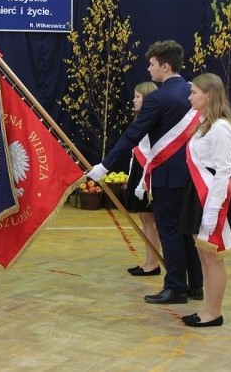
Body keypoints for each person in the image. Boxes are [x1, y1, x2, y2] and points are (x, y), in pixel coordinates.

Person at [87, 40, 203, 304]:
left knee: (170, 231)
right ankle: (196, 285)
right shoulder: (193, 91)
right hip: (192, 174)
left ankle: (175, 287)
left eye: (152, 64)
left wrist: (105, 166)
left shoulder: (158, 98)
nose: (149, 69)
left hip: (167, 175)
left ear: (165, 66)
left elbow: (132, 135)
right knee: (187, 231)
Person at [180, 73, 231, 327]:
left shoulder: (220, 127)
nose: (190, 97)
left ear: (209, 94)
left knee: (213, 256)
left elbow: (223, 172)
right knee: (203, 255)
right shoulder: (206, 122)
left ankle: (213, 313)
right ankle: (208, 309)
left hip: (213, 197)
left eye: (194, 92)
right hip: (198, 193)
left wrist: (213, 210)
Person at [124, 82, 162, 276]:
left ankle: (153, 263)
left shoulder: (152, 121)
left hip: (148, 172)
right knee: (144, 219)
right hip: (139, 169)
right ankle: (148, 260)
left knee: (150, 220)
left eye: (137, 97)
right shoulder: (140, 119)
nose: (134, 100)